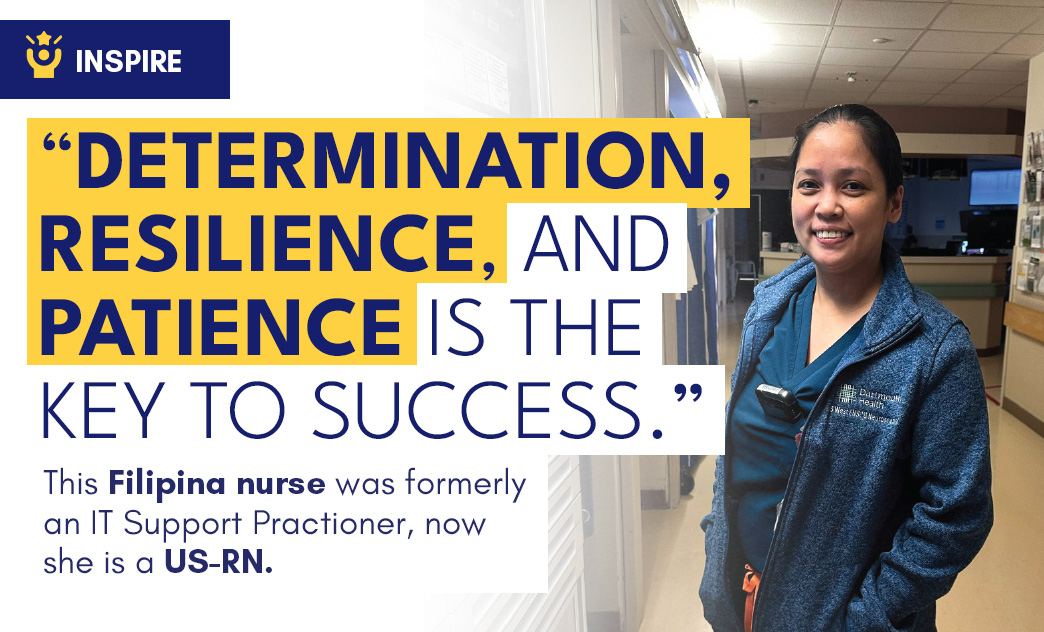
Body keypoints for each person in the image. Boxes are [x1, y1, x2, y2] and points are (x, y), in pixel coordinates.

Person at [699, 104, 993, 632]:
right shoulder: (767, 309)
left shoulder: (934, 348)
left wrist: (862, 618)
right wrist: (714, 554)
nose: (826, 206)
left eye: (853, 187)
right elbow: (739, 463)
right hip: (741, 604)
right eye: (809, 184)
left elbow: (956, 516)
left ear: (894, 202)